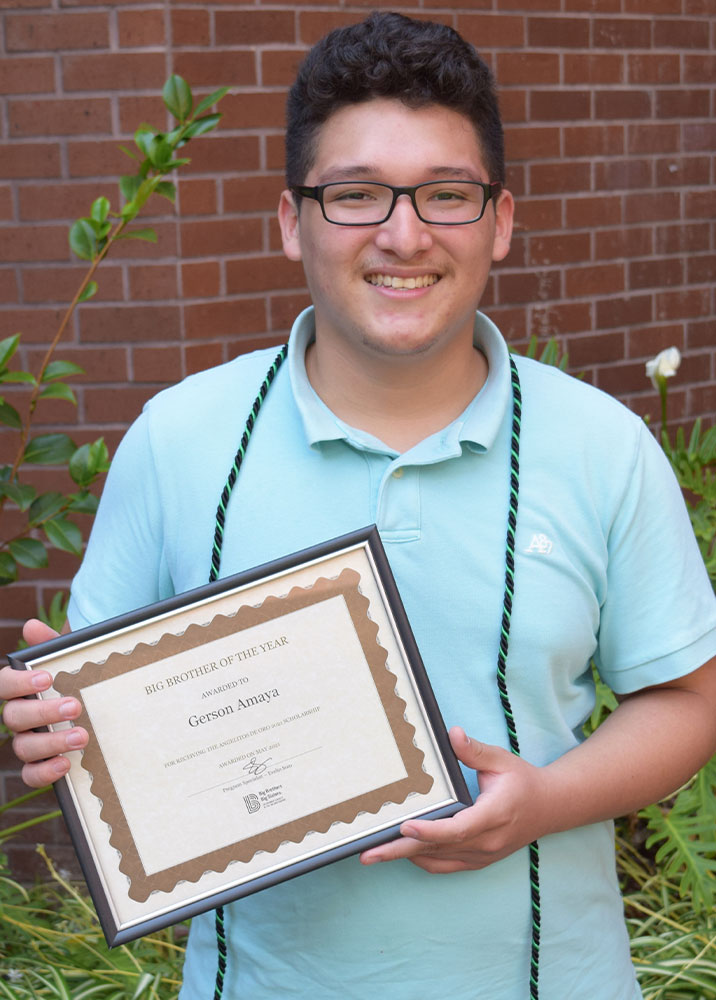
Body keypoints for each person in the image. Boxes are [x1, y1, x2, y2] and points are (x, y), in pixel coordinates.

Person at [2, 12, 715, 1000]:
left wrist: (545, 799)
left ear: (499, 220)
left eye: (445, 194)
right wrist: (54, 729)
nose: (403, 232)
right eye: (355, 195)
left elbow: (685, 699)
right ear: (291, 220)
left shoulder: (601, 447)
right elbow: (103, 715)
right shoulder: (179, 439)